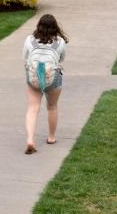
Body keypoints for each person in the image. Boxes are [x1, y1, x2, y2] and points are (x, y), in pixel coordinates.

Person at [23, 15, 68, 155]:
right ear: (55, 26)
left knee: (32, 108)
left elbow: (25, 58)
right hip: (52, 78)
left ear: (39, 25)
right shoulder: (60, 42)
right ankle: (51, 137)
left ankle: (30, 139)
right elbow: (61, 59)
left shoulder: (29, 40)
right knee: (52, 107)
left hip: (34, 77)